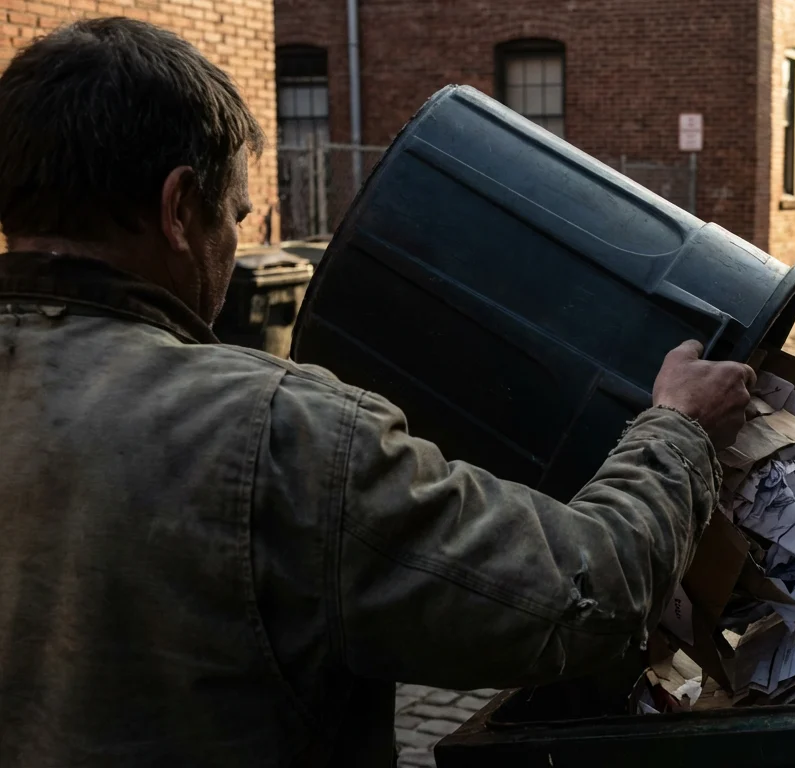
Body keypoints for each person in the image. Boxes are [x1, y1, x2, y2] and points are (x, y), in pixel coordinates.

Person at [0, 17, 754, 767]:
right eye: (232, 217)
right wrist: (678, 426)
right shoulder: (276, 433)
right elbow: (584, 595)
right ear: (178, 209)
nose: (233, 244)